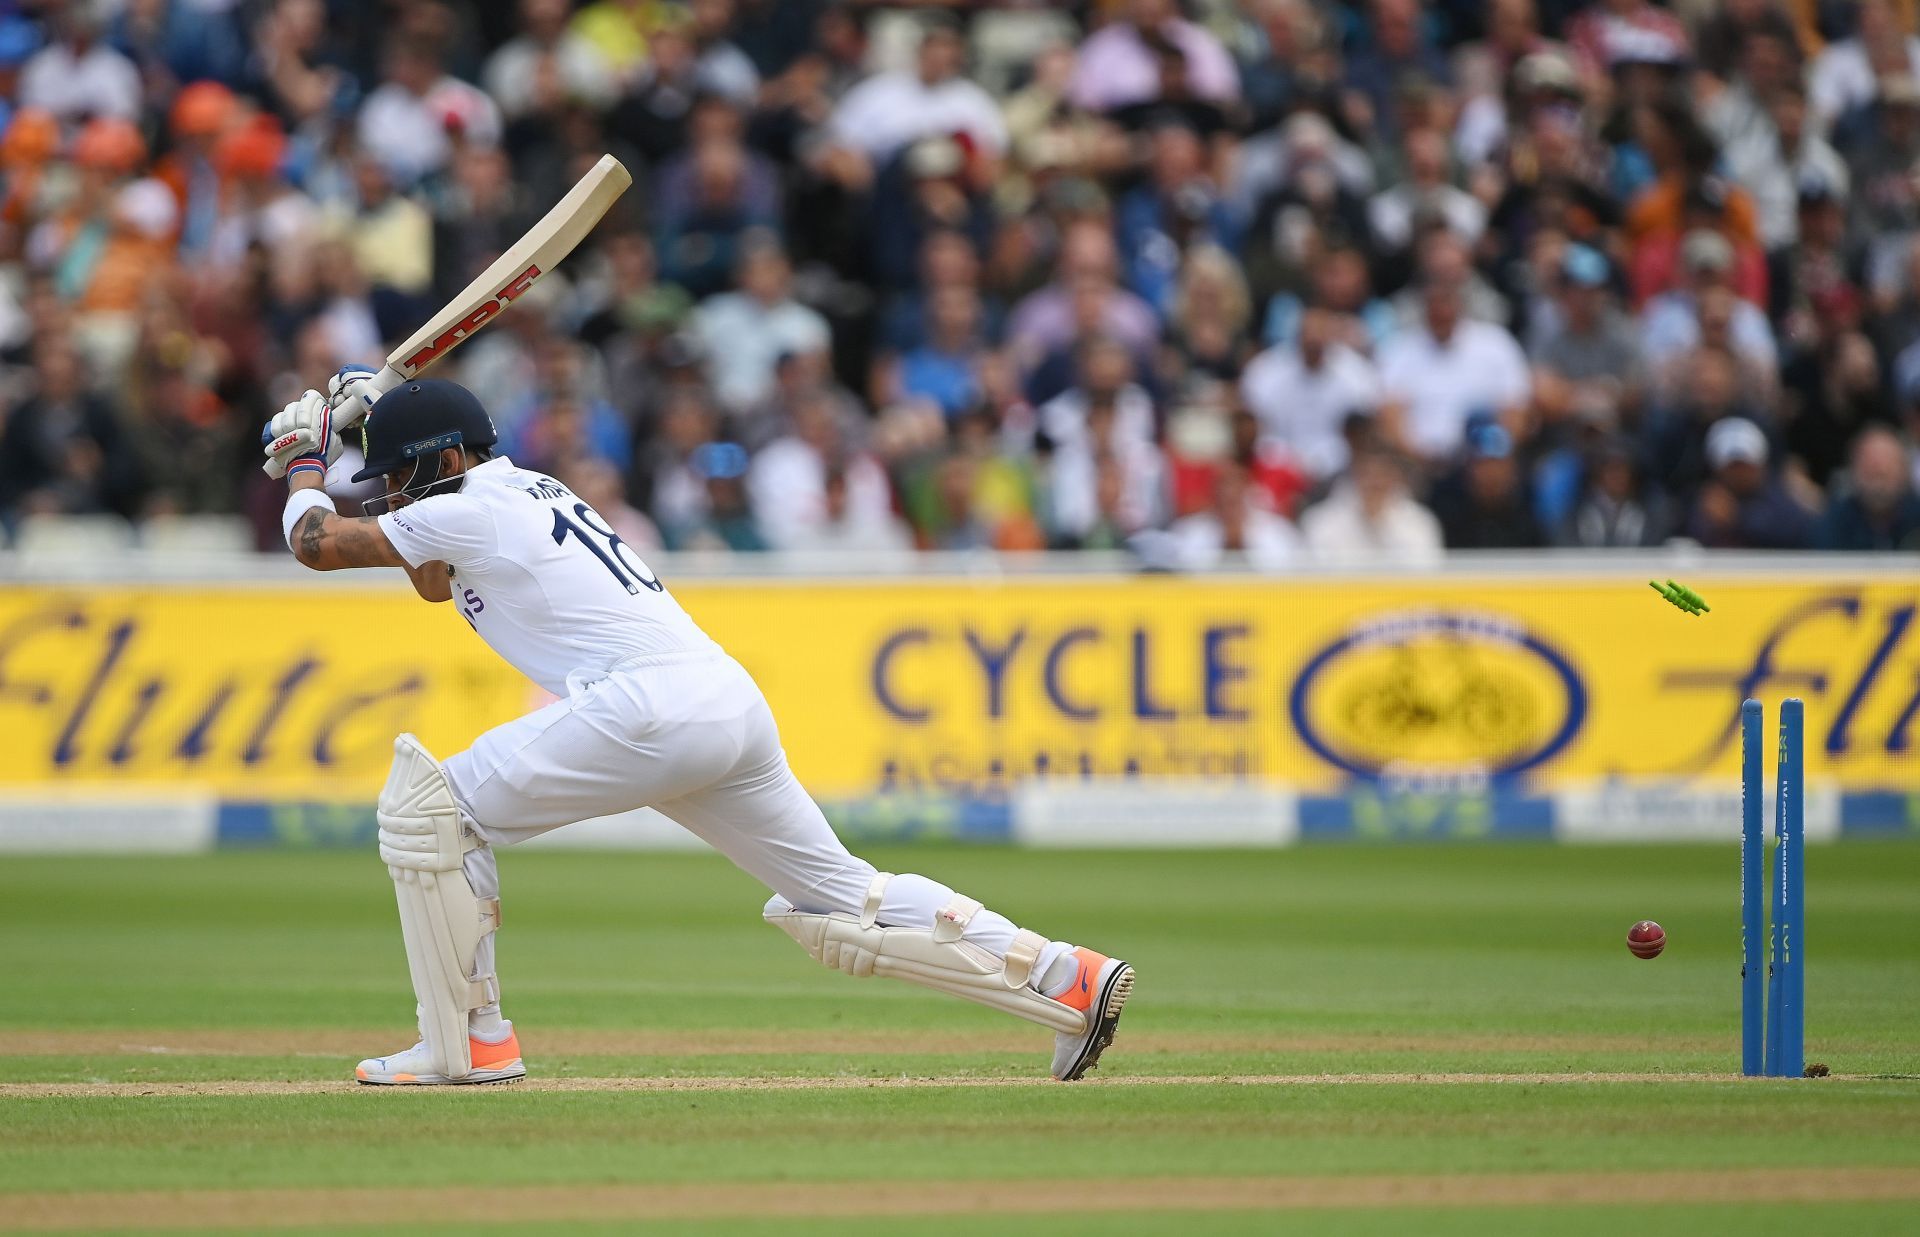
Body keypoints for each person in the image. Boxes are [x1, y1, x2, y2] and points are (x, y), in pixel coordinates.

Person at [262, 372, 1134, 1085]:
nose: (397, 497)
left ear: (449, 457)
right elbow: (428, 575)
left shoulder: (469, 503)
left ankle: (470, 1041)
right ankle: (1067, 976)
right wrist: (360, 430)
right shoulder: (518, 488)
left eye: (404, 477)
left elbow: (315, 542)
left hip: (645, 705)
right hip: (721, 700)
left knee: (431, 808)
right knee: (841, 896)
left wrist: (307, 460)